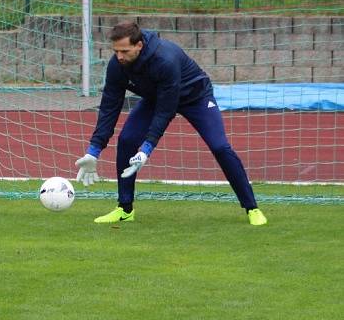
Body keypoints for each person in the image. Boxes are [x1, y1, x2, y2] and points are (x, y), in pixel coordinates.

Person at [75, 21, 267, 226]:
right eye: (116, 51)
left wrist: (146, 149)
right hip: (156, 98)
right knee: (127, 140)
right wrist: (93, 150)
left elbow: (165, 111)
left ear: (139, 45)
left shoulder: (165, 59)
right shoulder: (117, 66)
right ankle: (125, 208)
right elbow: (109, 108)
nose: (119, 56)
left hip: (196, 97)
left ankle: (252, 207)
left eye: (124, 50)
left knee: (219, 146)